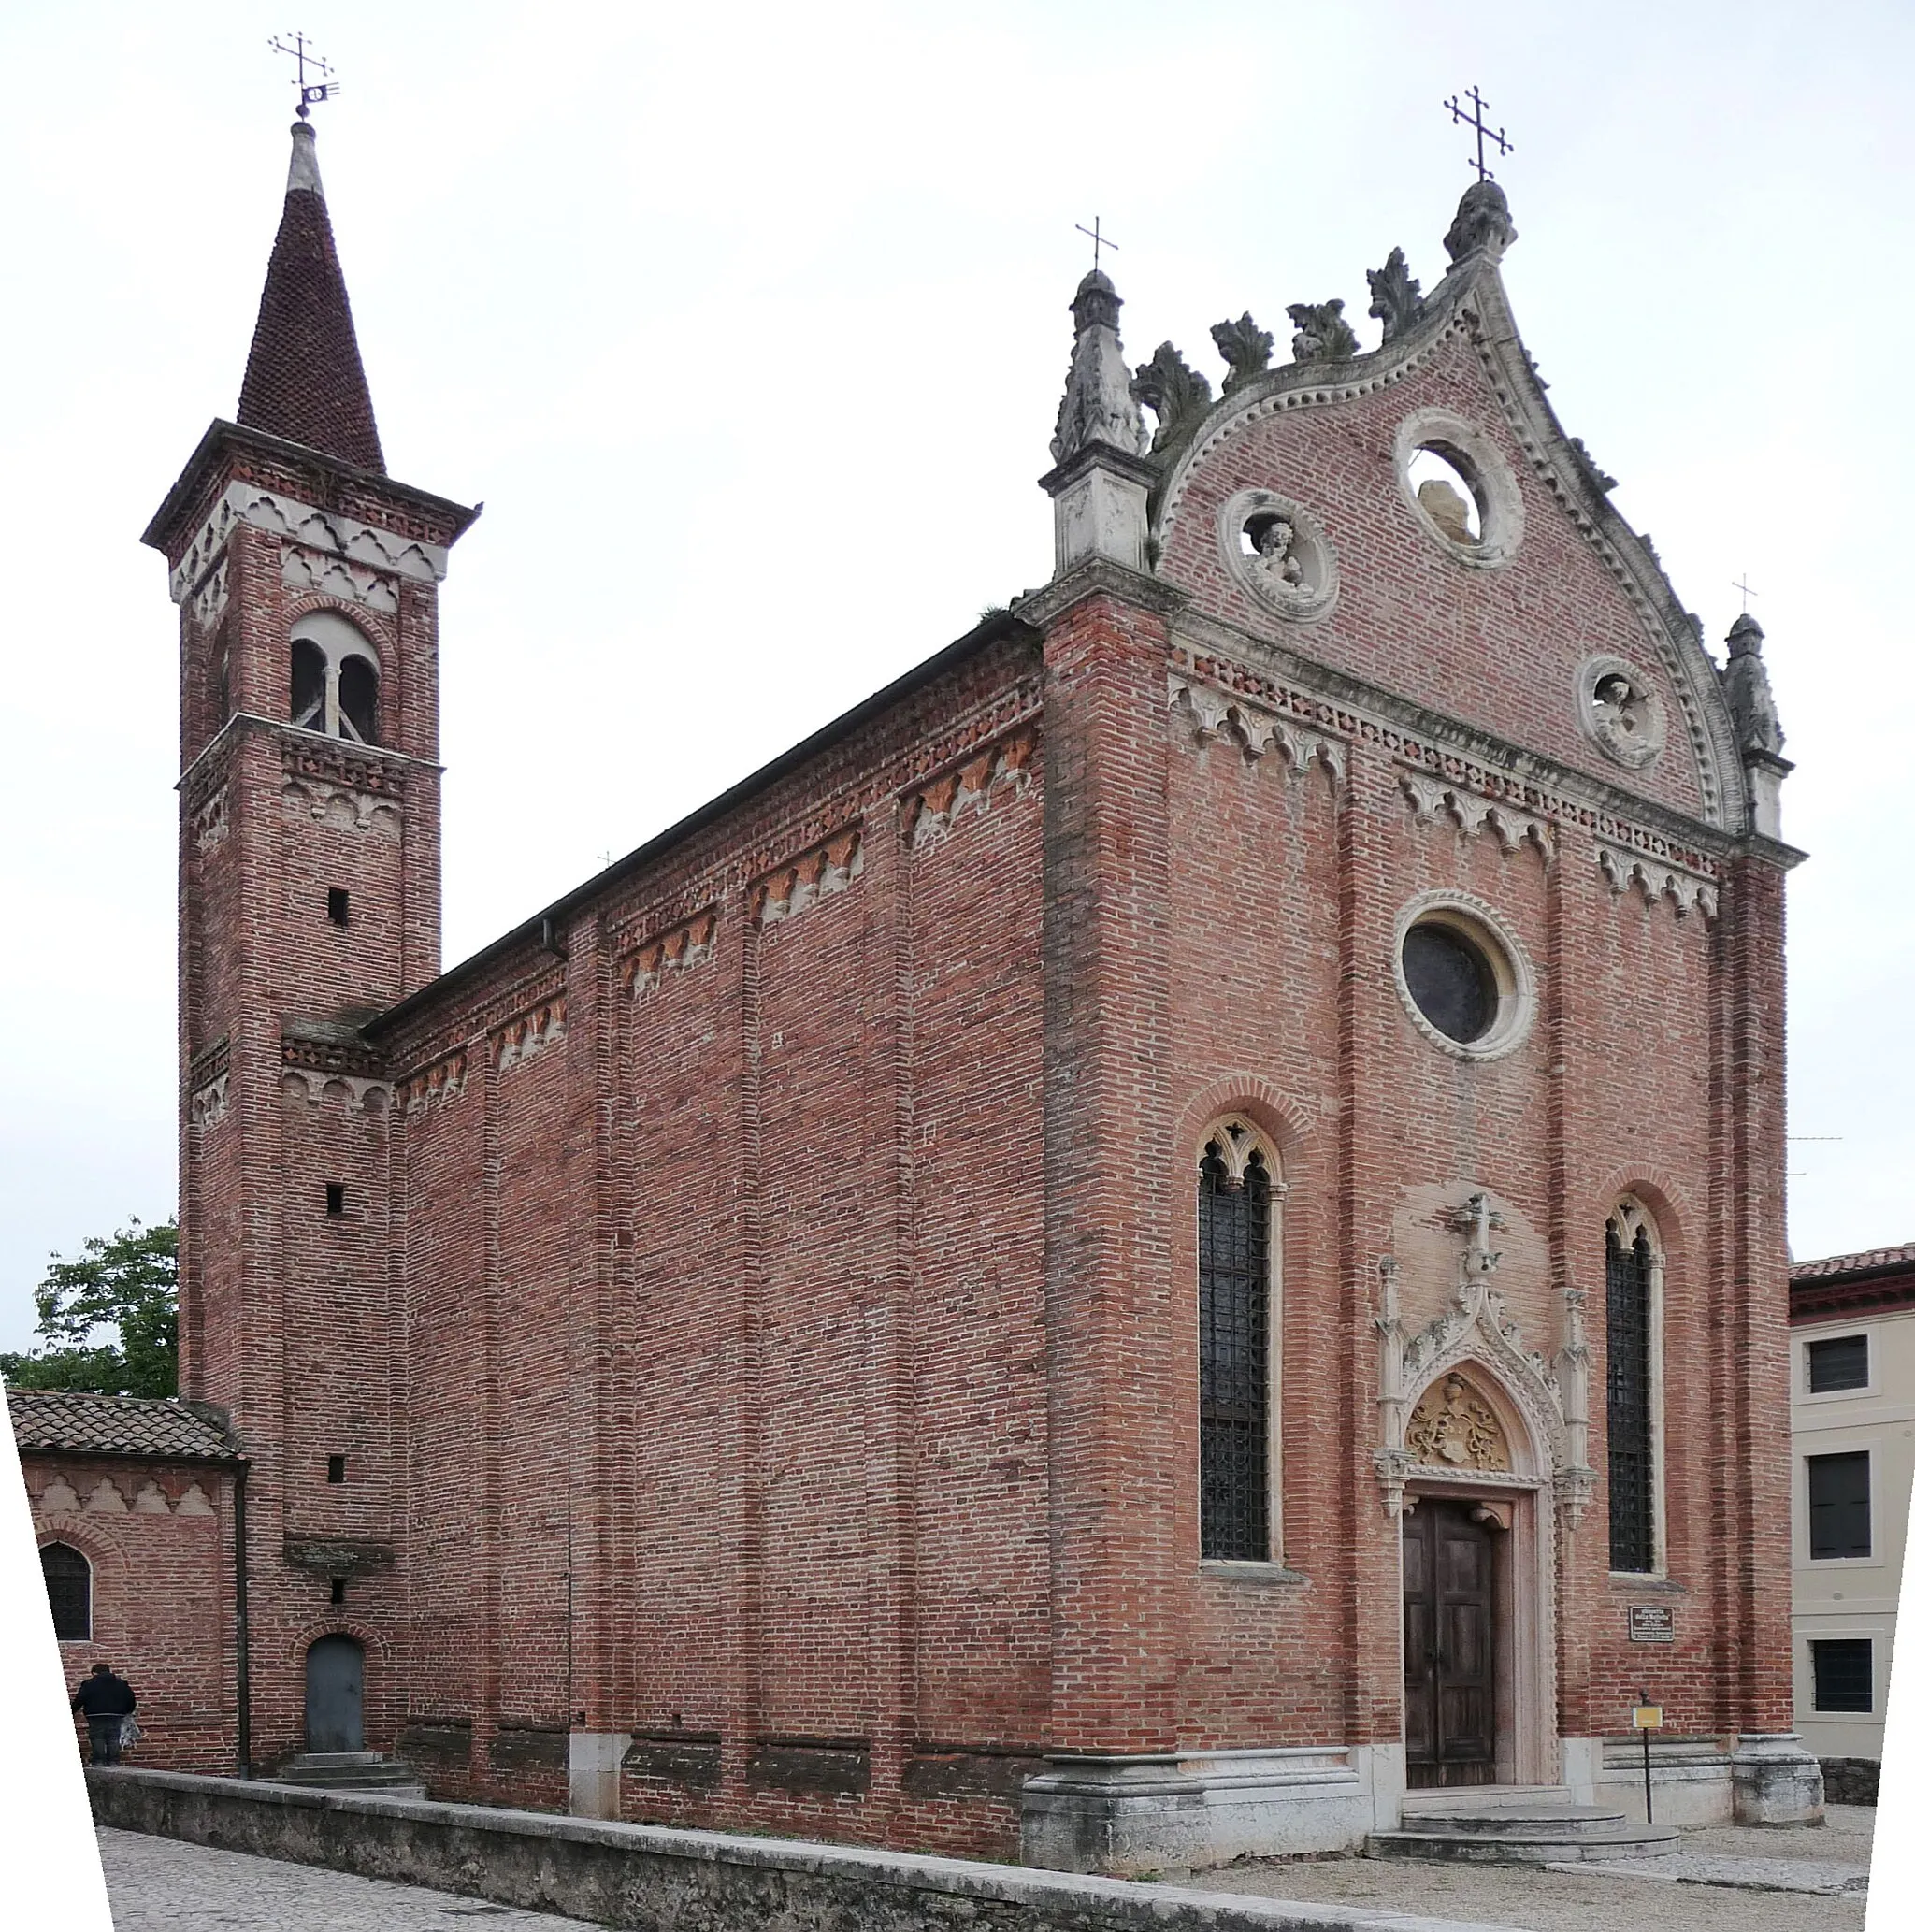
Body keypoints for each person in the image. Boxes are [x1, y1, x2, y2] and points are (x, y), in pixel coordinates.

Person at [72, 1663, 137, 1766]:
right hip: (116, 1714)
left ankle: (99, 1762)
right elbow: (131, 1699)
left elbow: (80, 1699)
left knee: (97, 1737)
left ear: (94, 1672)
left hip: (95, 1714)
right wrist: (126, 1711)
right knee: (113, 1737)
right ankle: (114, 1762)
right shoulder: (121, 1684)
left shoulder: (88, 1684)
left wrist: (72, 1711)